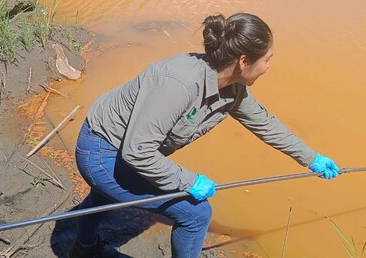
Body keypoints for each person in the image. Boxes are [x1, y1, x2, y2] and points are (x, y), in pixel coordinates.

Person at [68, 13, 340, 258]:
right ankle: (85, 245)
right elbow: (138, 152)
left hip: (128, 152)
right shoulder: (179, 84)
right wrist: (189, 180)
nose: (269, 66)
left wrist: (312, 158)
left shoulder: (233, 89)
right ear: (244, 61)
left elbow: (267, 126)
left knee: (103, 197)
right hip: (102, 151)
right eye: (267, 59)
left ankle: (84, 248)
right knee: (196, 215)